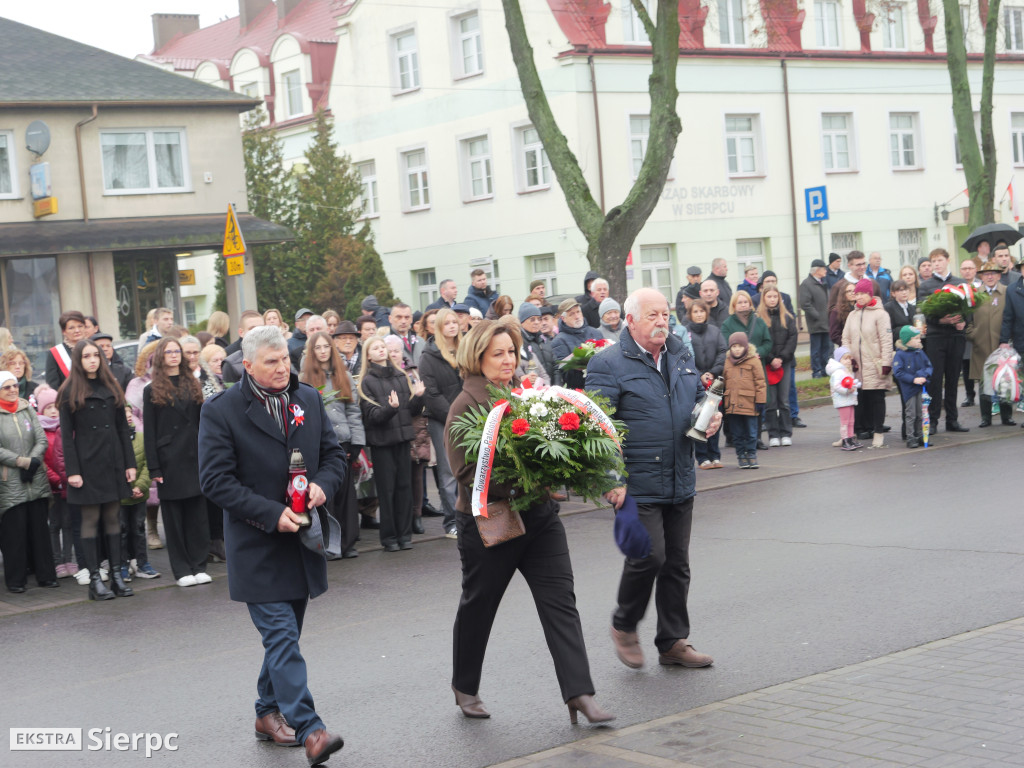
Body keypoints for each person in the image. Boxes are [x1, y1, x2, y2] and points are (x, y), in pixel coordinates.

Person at [444, 319, 613, 723]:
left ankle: (579, 692)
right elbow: (465, 472)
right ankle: (465, 685)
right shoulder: (465, 404)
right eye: (498, 354)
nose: (508, 360)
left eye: (512, 352)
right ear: (477, 358)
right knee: (479, 605)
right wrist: (523, 479)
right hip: (491, 522)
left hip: (539, 516)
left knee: (560, 601)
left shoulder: (527, 394)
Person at [198, 325, 346, 764]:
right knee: (282, 637)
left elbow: (334, 456)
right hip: (257, 545)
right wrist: (269, 513)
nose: (283, 368)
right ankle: (311, 729)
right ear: (247, 365)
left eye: (285, 359)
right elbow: (215, 481)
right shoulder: (221, 411)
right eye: (271, 362)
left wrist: (322, 486)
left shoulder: (309, 399)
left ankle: (266, 712)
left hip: (301, 542)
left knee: (285, 639)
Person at [587, 287, 718, 670]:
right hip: (634, 481)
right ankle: (624, 624)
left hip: (679, 474)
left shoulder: (680, 353)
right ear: (630, 321)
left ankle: (673, 642)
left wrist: (708, 417)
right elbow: (597, 426)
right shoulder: (607, 363)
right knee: (648, 556)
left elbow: (697, 397)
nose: (662, 321)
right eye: (652, 315)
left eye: (665, 314)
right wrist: (610, 478)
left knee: (676, 563)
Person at [58, 339, 137, 601]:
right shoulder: (69, 390)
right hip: (86, 463)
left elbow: (123, 428)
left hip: (113, 461)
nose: (92, 360)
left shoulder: (111, 386)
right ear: (78, 361)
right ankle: (94, 579)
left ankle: (116, 576)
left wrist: (130, 464)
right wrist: (73, 471)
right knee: (90, 520)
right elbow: (66, 436)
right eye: (86, 356)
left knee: (114, 519)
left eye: (96, 355)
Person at [143, 338, 211, 588]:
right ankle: (182, 569)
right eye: (169, 352)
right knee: (173, 519)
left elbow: (202, 422)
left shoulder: (192, 382)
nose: (174, 355)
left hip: (194, 455)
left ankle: (199, 565)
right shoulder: (151, 389)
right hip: (169, 459)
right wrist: (154, 467)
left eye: (177, 351)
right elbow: (149, 431)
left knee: (197, 515)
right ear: (161, 356)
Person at [301, 331, 364, 559]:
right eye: (317, 347)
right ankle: (328, 542)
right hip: (320, 445)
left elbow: (354, 411)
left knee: (347, 495)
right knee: (326, 495)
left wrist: (357, 442)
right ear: (312, 351)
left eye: (326, 347)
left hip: (344, 441)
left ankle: (348, 542)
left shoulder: (343, 375)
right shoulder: (305, 379)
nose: (322, 351)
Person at [357, 336, 424, 551]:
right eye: (375, 348)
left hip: (402, 439)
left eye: (382, 347)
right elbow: (372, 416)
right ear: (368, 355)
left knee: (404, 489)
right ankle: (389, 538)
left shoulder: (400, 376)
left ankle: (405, 536)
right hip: (382, 443)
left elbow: (410, 411)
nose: (381, 350)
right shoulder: (367, 381)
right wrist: (391, 408)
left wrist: (419, 397)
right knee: (387, 491)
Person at [0, 370, 54, 593]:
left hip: (35, 476)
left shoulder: (26, 408)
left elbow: (41, 438)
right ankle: (16, 580)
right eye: (7, 387)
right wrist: (21, 462)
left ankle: (46, 576)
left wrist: (33, 460)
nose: (13, 390)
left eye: (15, 386)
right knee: (14, 534)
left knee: (40, 531)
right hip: (10, 481)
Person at [414, 307, 463, 540]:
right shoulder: (428, 356)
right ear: (439, 327)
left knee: (470, 468)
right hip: (442, 420)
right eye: (447, 323)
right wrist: (454, 417)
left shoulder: (465, 349)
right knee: (448, 472)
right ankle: (452, 521)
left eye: (455, 322)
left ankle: (470, 516)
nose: (452, 326)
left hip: (469, 417)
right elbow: (431, 394)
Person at [919, 248, 969, 432]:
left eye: (940, 260)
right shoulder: (926, 285)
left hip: (956, 336)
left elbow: (969, 307)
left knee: (953, 379)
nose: (937, 264)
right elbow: (924, 312)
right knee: (935, 379)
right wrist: (941, 320)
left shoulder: (960, 283)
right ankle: (933, 420)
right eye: (934, 261)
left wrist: (963, 322)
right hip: (936, 337)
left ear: (947, 260)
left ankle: (952, 420)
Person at [842, 279, 894, 449]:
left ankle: (878, 432)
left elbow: (886, 340)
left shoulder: (881, 314)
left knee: (877, 398)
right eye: (856, 293)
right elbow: (846, 339)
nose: (859, 297)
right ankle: (853, 433)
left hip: (875, 364)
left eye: (862, 293)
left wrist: (886, 362)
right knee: (858, 399)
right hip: (857, 366)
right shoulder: (852, 315)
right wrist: (848, 357)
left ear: (870, 294)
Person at [967, 261, 1014, 427]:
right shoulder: (974, 294)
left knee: (1004, 381)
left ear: (999, 275)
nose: (990, 276)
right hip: (981, 345)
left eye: (993, 273)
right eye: (986, 274)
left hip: (1002, 345)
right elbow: (967, 319)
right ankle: (985, 417)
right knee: (984, 382)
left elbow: (1013, 315)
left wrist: (1009, 338)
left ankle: (1007, 416)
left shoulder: (1007, 292)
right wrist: (973, 334)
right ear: (981, 277)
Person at [38, 388, 76, 578]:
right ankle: (57, 560)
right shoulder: (40, 431)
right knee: (54, 524)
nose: (53, 411)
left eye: (56, 407)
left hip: (67, 484)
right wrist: (56, 480)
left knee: (68, 523)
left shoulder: (67, 427)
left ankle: (69, 559)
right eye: (49, 408)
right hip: (51, 487)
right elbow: (42, 462)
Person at [685, 301, 727, 469]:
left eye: (702, 311)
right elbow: (686, 356)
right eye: (695, 311)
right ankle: (702, 457)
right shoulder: (686, 332)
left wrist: (713, 372)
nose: (699, 314)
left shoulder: (715, 331)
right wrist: (699, 374)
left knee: (714, 416)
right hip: (695, 381)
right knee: (699, 418)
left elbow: (722, 351)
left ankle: (715, 455)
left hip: (714, 381)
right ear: (690, 314)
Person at [120, 405, 160, 580]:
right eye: (124, 412)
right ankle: (122, 564)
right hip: (121, 497)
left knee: (138, 529)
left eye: (130, 411)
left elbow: (146, 465)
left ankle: (142, 563)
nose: (129, 415)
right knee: (121, 530)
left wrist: (140, 486)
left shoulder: (141, 437)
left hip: (139, 494)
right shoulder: (113, 441)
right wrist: (125, 489)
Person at [756, 287, 797, 446]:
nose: (772, 299)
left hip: (784, 363)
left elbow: (792, 339)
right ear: (764, 298)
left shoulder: (787, 317)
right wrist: (771, 358)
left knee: (784, 400)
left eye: (775, 296)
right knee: (770, 401)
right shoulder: (759, 319)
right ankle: (773, 434)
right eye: (769, 296)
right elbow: (759, 342)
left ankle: (786, 433)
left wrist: (781, 358)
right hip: (767, 364)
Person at [722, 331, 767, 468]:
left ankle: (751, 454)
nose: (737, 349)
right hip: (733, 405)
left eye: (740, 346)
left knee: (751, 433)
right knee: (737, 433)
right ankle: (741, 455)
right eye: (734, 346)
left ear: (746, 346)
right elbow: (724, 382)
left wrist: (760, 400)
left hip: (750, 403)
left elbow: (760, 382)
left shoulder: (754, 361)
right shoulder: (727, 362)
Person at [892, 327, 933, 448]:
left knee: (921, 413)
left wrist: (924, 375)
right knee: (911, 414)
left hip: (921, 387)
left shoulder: (920, 352)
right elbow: (898, 372)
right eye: (916, 338)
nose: (919, 341)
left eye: (919, 338)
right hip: (909, 389)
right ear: (907, 340)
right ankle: (910, 437)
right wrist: (913, 379)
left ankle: (920, 436)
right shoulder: (900, 354)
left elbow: (928, 366)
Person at [550, 298, 602, 390]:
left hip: (601, 383)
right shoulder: (559, 341)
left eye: (578, 312)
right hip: (579, 389)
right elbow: (564, 373)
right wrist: (580, 366)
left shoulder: (596, 333)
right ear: (563, 318)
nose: (577, 316)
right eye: (571, 314)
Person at [800, 259, 832, 378]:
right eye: (824, 268)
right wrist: (817, 315)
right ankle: (816, 371)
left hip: (825, 322)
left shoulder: (822, 282)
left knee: (825, 349)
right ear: (817, 270)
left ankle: (824, 370)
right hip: (816, 323)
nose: (826, 271)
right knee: (816, 350)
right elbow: (805, 304)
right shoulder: (806, 284)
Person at [827, 347, 862, 451]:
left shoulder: (847, 371)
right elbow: (836, 386)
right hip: (842, 401)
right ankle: (845, 439)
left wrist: (855, 386)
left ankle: (851, 438)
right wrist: (847, 390)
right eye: (845, 358)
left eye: (849, 358)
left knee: (851, 420)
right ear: (839, 360)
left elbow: (850, 383)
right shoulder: (838, 372)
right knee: (845, 421)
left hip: (849, 399)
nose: (848, 361)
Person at [720, 292, 771, 363]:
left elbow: (768, 343)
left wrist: (757, 353)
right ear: (734, 305)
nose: (743, 305)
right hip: (738, 366)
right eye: (739, 303)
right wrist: (743, 356)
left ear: (750, 304)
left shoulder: (759, 321)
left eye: (746, 302)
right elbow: (726, 345)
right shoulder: (727, 324)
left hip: (758, 364)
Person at [516, 304, 558, 387]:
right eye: (532, 319)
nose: (537, 322)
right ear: (522, 322)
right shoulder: (520, 344)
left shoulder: (545, 339)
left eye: (539, 319)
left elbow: (555, 366)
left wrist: (556, 386)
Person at [46, 310, 87, 390]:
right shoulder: (55, 353)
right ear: (64, 331)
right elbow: (53, 386)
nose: (77, 330)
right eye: (71, 328)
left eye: (80, 326)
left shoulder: (95, 348)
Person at [389, 303, 425, 368]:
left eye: (407, 317)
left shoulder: (421, 342)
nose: (403, 321)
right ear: (390, 319)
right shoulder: (384, 343)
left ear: (411, 319)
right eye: (399, 317)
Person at [828, 281, 857, 347]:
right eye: (849, 291)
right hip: (847, 347)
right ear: (843, 294)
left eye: (854, 290)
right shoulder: (836, 311)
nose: (853, 293)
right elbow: (834, 335)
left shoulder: (860, 309)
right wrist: (848, 343)